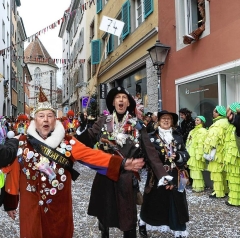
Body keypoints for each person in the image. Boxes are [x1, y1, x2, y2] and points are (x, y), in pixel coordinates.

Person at [2, 87, 145, 238]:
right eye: (41, 116)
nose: (45, 119)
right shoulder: (23, 143)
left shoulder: (67, 142)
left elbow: (91, 155)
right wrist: (11, 203)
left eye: (50, 116)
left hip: (58, 211)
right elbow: (14, 174)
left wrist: (121, 164)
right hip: (30, 211)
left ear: (55, 120)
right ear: (34, 120)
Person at [76, 86, 171, 238]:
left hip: (127, 178)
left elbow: (150, 152)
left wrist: (162, 174)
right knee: (104, 215)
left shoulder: (138, 125)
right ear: (113, 103)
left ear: (128, 103)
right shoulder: (103, 121)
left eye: (124, 98)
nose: (121, 100)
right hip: (105, 174)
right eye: (117, 98)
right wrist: (77, 130)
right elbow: (86, 139)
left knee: (128, 219)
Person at [139, 110, 190, 238]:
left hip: (177, 175)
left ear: (172, 122)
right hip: (156, 175)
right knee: (152, 201)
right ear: (158, 121)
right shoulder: (151, 137)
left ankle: (178, 229)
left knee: (177, 201)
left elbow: (186, 154)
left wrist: (178, 156)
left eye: (169, 119)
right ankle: (143, 223)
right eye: (163, 118)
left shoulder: (177, 136)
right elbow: (147, 156)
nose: (166, 120)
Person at [203, 105, 230, 198]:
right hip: (225, 151)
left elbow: (213, 139)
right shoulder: (227, 122)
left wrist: (207, 149)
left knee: (216, 172)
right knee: (223, 172)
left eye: (214, 111)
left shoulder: (217, 124)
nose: (213, 113)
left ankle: (218, 192)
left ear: (218, 113)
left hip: (217, 152)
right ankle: (226, 190)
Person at [224, 102, 240, 206]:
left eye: (229, 111)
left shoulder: (237, 121)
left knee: (235, 177)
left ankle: (235, 201)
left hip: (236, 155)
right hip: (235, 154)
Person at [186, 116, 207, 192]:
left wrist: (199, 154)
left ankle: (199, 187)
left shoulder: (203, 131)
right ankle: (195, 186)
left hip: (197, 153)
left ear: (202, 121)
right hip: (191, 153)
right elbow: (188, 142)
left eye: (198, 120)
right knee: (193, 170)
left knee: (196, 170)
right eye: (195, 120)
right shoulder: (192, 131)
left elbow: (201, 144)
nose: (196, 121)